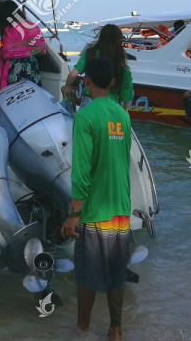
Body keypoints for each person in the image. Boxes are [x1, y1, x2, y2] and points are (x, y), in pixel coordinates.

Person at [60, 57, 132, 340]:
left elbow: (81, 171)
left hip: (95, 211)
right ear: (112, 83)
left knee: (87, 276)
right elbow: (122, 162)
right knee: (116, 273)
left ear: (86, 82)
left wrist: (73, 214)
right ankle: (116, 330)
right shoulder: (123, 115)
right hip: (121, 210)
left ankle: (82, 329)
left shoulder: (85, 117)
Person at [62, 24, 133, 108]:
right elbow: (127, 89)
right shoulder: (120, 63)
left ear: (101, 37)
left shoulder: (90, 53)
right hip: (111, 105)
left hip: (89, 102)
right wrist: (125, 109)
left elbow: (73, 75)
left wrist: (67, 86)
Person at [0, 0, 46, 92]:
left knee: (13, 97)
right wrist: (28, 52)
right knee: (32, 95)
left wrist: (20, 52)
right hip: (31, 68)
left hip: (13, 70)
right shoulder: (32, 27)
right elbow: (42, 51)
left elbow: (5, 54)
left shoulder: (7, 31)